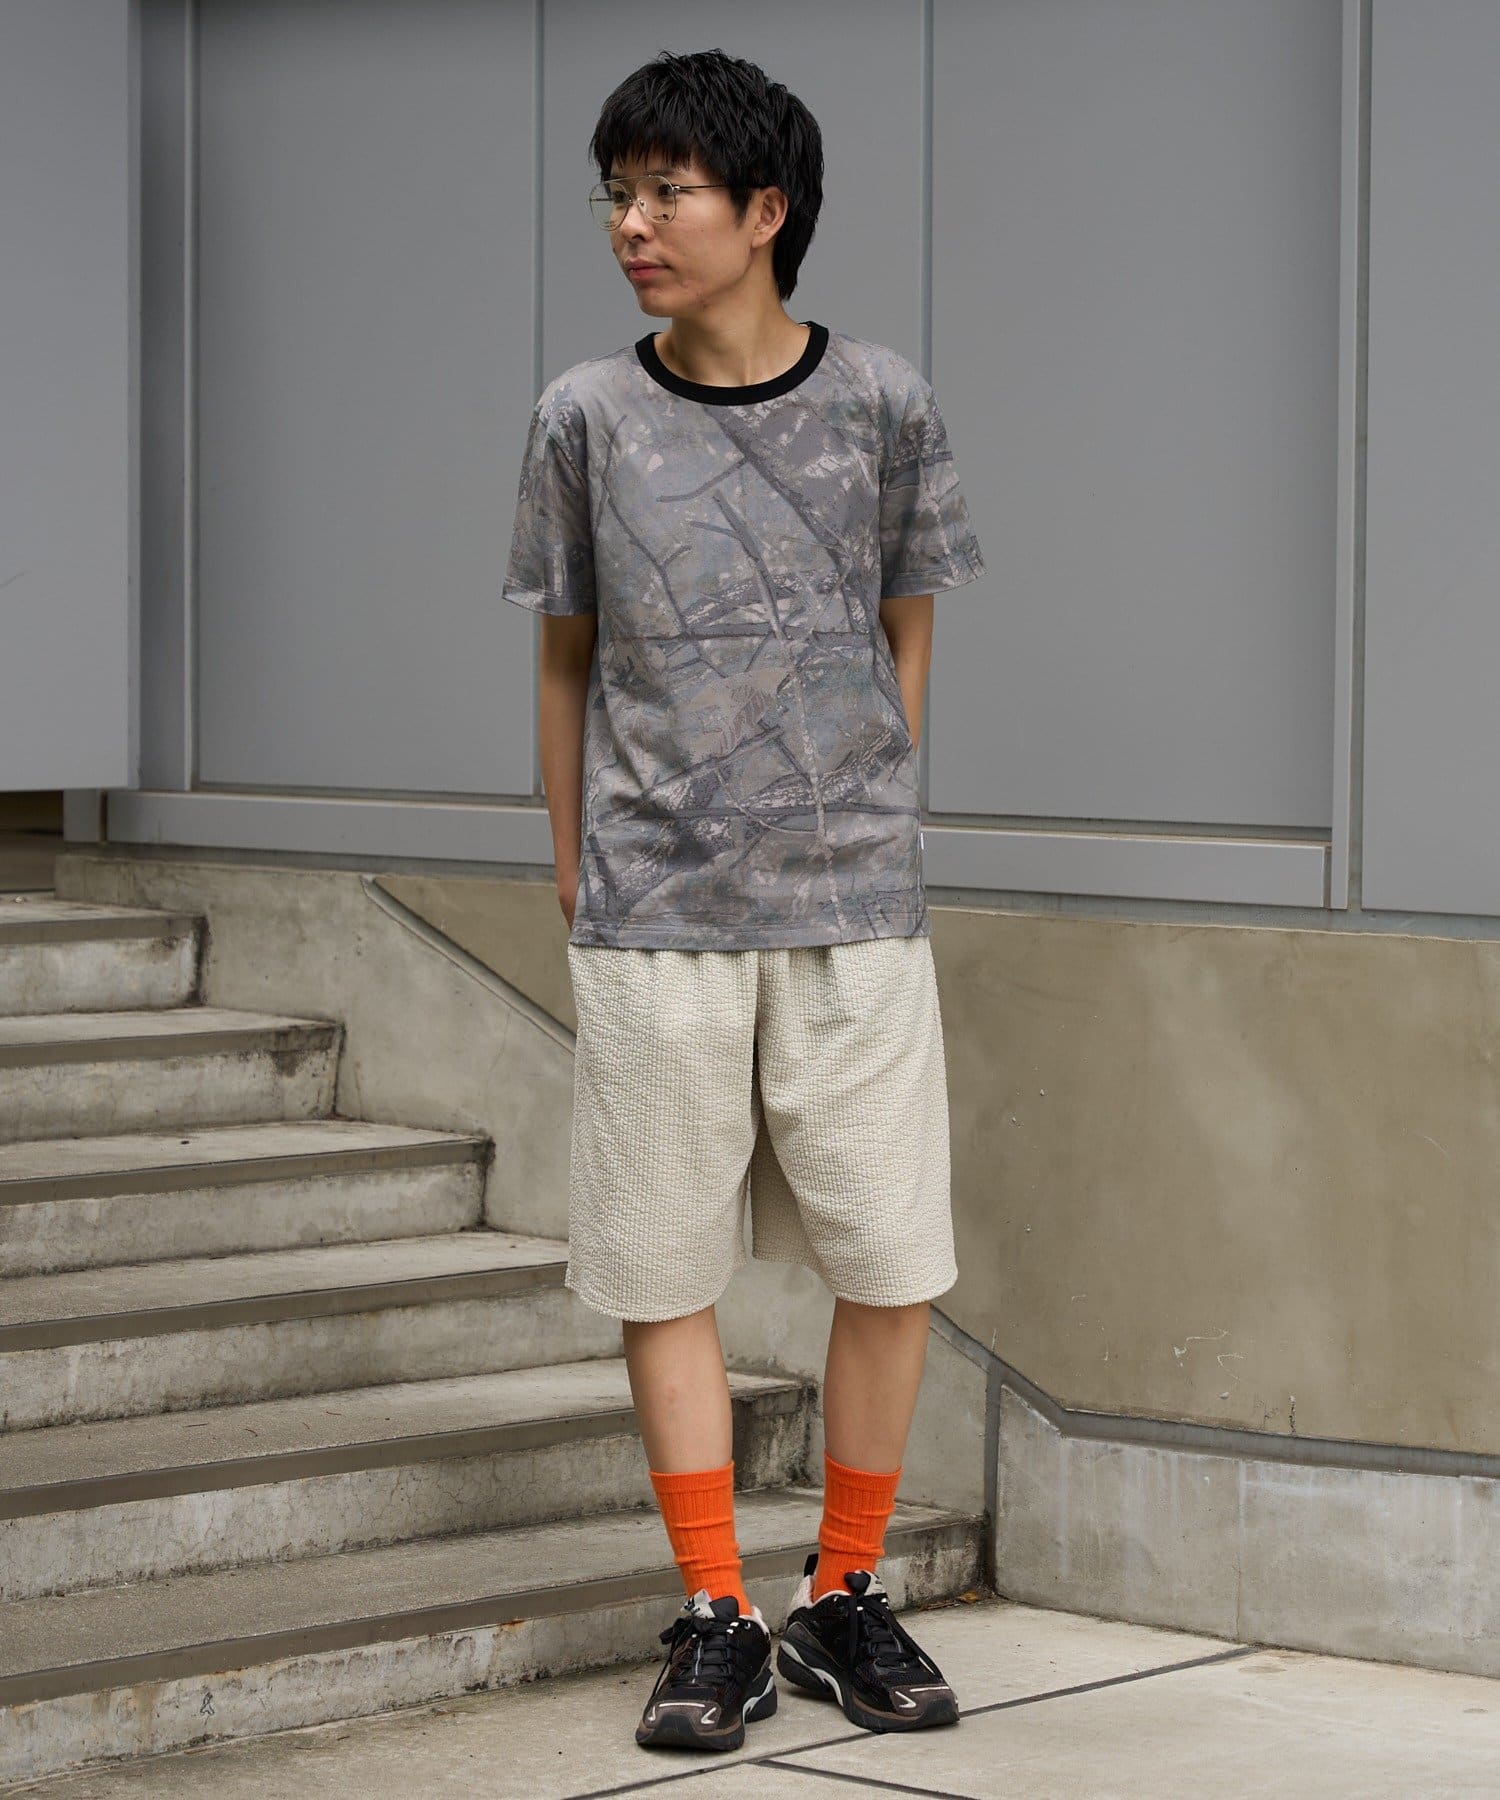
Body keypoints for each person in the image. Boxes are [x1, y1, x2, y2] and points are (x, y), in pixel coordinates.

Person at [502, 46, 986, 1755]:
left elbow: (907, 620)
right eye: (617, 194)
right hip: (656, 912)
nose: (631, 225)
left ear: (765, 209)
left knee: (892, 1257)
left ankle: (840, 1592)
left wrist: (879, 808)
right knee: (661, 1267)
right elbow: (565, 658)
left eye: (669, 192)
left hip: (854, 909)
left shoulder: (884, 402)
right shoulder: (583, 414)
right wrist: (576, 861)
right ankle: (714, 1611)